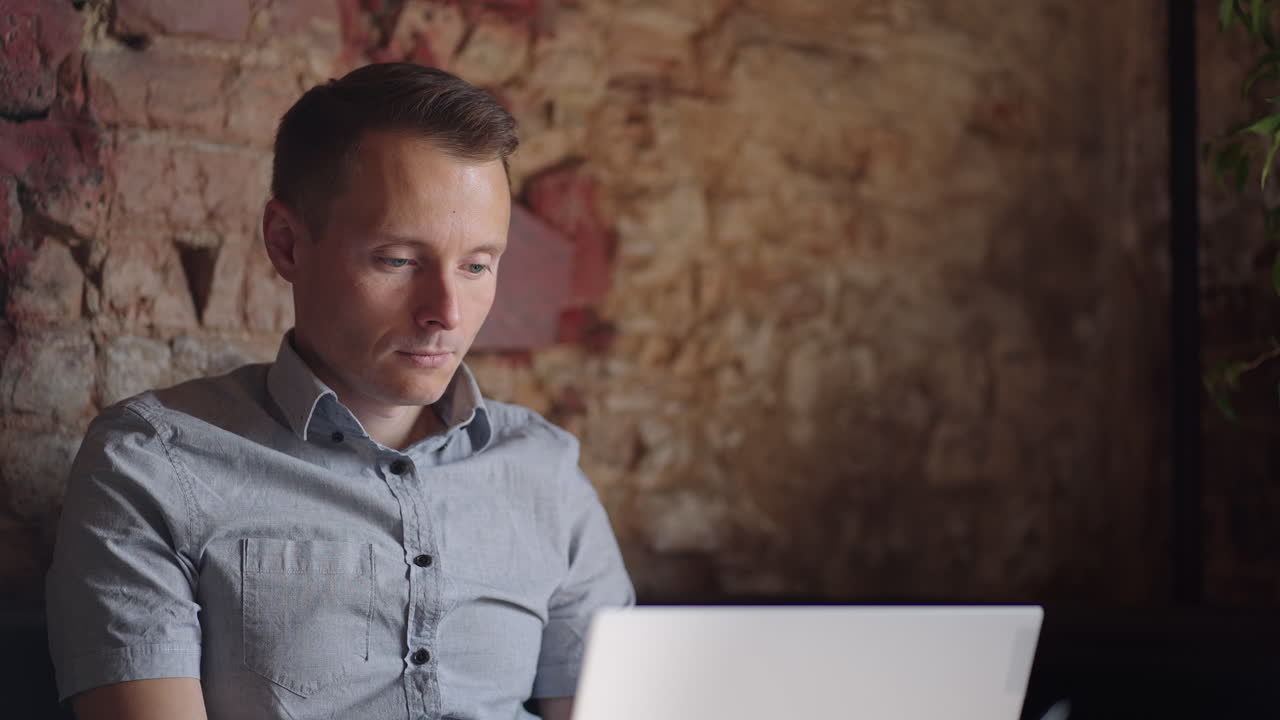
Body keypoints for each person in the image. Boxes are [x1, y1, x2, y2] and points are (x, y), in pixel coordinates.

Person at [45, 63, 634, 720]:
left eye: (476, 265)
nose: (447, 311)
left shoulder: (545, 470)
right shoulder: (154, 464)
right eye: (398, 261)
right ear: (287, 244)